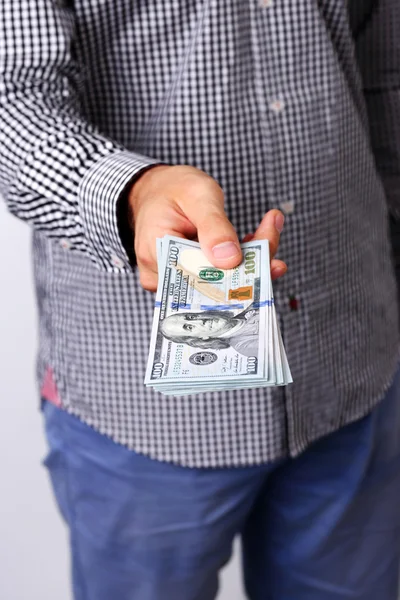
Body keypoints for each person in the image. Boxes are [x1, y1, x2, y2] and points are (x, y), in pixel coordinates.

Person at [1, 1, 400, 599]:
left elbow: (382, 59)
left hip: (349, 351)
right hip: (143, 400)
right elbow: (13, 95)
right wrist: (131, 195)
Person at [160, 308, 259, 356]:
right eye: (189, 327)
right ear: (200, 338)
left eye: (190, 317)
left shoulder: (248, 308)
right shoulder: (244, 346)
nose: (200, 321)